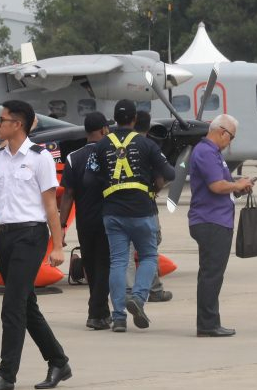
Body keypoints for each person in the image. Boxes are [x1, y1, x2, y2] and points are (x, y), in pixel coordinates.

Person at [0, 100, 71, 390]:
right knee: (26, 304)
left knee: (11, 306)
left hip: (31, 235)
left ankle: (6, 375)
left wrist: (58, 246)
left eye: (2, 120)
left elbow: (52, 206)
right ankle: (59, 361)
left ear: (18, 124)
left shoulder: (40, 158)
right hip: (7, 236)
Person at [92, 99, 176, 332]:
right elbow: (169, 172)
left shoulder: (101, 145)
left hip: (112, 212)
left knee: (118, 262)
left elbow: (92, 173)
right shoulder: (146, 144)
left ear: (114, 119)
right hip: (141, 210)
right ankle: (138, 298)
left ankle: (118, 317)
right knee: (149, 256)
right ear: (135, 119)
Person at [188, 114, 254, 337]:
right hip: (211, 220)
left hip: (214, 219)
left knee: (211, 273)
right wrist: (237, 185)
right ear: (222, 132)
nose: (230, 142)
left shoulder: (210, 153)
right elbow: (216, 186)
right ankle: (207, 324)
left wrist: (237, 186)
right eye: (231, 137)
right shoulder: (206, 152)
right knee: (211, 274)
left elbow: (220, 184)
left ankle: (209, 321)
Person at [58, 113, 113, 330]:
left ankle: (100, 311)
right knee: (106, 266)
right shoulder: (111, 154)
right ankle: (95, 312)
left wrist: (61, 226)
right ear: (104, 130)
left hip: (85, 221)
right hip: (110, 219)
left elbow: (68, 194)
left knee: (91, 265)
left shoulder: (73, 157)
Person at [126, 111, 170, 304]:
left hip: (118, 206)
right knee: (149, 247)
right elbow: (163, 177)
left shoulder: (118, 146)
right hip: (146, 206)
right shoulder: (150, 147)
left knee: (125, 252)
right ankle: (153, 289)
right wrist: (153, 189)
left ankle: (129, 291)